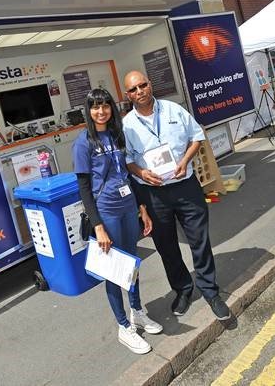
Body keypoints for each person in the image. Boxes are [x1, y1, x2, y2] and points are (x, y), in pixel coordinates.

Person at [121, 71, 231, 321]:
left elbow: (197, 137)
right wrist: (141, 172)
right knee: (166, 247)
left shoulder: (173, 110)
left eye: (142, 85)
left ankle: (210, 290)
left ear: (150, 85)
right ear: (127, 95)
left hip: (185, 186)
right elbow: (127, 160)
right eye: (133, 89)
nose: (139, 92)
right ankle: (182, 289)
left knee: (199, 240)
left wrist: (185, 161)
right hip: (153, 194)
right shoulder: (126, 125)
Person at [72, 87, 162, 354]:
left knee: (131, 265)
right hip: (107, 212)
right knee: (114, 270)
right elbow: (84, 189)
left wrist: (141, 208)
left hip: (127, 208)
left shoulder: (116, 134)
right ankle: (124, 326)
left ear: (111, 107)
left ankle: (136, 311)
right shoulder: (83, 142)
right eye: (95, 107)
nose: (101, 111)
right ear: (88, 111)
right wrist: (98, 226)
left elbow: (126, 175)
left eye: (105, 105)